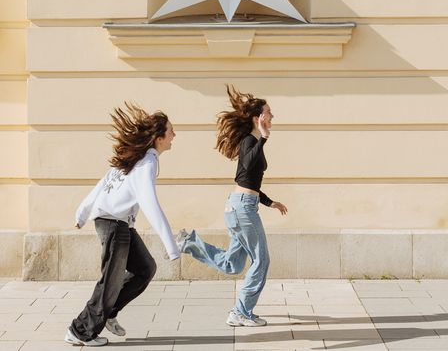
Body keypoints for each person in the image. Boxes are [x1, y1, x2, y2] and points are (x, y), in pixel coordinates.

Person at [65, 102, 180, 347]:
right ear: (159, 138)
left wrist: (82, 213)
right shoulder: (146, 163)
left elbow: (103, 183)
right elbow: (151, 205)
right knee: (111, 280)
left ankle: (108, 313)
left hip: (119, 224)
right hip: (112, 224)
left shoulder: (135, 157)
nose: (174, 135)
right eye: (171, 130)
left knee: (145, 268)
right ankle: (80, 331)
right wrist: (171, 246)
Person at [176, 86, 287, 327]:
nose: (272, 116)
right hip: (242, 210)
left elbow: (248, 181)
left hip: (239, 206)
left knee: (232, 264)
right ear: (257, 118)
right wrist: (264, 137)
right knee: (262, 260)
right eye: (269, 112)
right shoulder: (251, 141)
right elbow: (247, 165)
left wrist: (269, 202)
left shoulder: (252, 142)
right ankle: (240, 312)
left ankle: (189, 243)